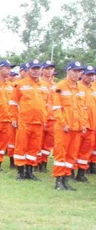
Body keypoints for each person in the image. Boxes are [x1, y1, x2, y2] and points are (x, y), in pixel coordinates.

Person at [51, 62, 87, 190]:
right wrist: (63, 123)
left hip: (77, 128)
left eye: (79, 71)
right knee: (61, 154)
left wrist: (84, 124)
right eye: (75, 71)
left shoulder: (81, 89)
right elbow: (56, 108)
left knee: (71, 155)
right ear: (68, 71)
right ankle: (58, 181)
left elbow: (84, 108)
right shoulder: (60, 86)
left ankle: (66, 179)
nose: (78, 74)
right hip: (64, 128)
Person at [11, 59, 48, 181]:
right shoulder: (20, 84)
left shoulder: (45, 86)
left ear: (41, 70)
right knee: (21, 146)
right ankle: (21, 172)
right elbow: (13, 103)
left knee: (34, 148)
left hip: (39, 122)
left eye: (38, 69)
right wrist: (14, 118)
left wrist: (46, 118)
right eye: (33, 69)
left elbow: (48, 104)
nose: (36, 71)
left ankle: (30, 171)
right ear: (28, 70)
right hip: (25, 121)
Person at [38, 61, 57, 172]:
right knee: (38, 141)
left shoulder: (56, 86)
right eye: (47, 68)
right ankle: (36, 162)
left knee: (48, 143)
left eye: (51, 68)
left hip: (53, 118)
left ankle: (44, 163)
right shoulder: (39, 84)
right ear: (42, 70)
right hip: (42, 117)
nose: (49, 70)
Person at [79, 66, 96, 176]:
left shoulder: (94, 89)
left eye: (92, 75)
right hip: (79, 124)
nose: (90, 77)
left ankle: (81, 174)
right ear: (82, 75)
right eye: (88, 74)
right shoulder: (77, 87)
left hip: (92, 124)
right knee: (74, 150)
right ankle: (69, 172)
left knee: (86, 150)